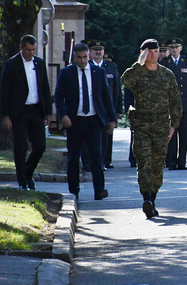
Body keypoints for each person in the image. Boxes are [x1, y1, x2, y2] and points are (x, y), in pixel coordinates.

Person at [122, 39, 183, 219]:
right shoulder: (137, 73)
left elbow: (175, 101)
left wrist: (174, 125)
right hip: (141, 126)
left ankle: (153, 199)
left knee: (157, 165)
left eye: (155, 51)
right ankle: (146, 198)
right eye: (148, 52)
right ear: (142, 54)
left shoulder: (167, 74)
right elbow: (125, 80)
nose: (153, 55)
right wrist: (139, 63)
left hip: (161, 127)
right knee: (144, 163)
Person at [55, 43, 117, 200]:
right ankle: (74, 189)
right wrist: (63, 115)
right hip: (74, 121)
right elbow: (58, 96)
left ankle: (99, 190)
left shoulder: (98, 72)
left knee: (96, 156)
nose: (82, 61)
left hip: (93, 120)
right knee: (74, 157)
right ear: (74, 57)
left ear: (88, 56)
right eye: (79, 58)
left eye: (84, 57)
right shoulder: (66, 73)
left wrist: (112, 119)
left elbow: (106, 96)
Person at [0, 35, 53, 190]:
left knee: (40, 146)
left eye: (33, 50)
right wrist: (5, 115)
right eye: (28, 49)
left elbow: (45, 88)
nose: (31, 53)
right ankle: (22, 181)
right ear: (21, 48)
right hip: (19, 111)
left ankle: (27, 172)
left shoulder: (40, 63)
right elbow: (4, 91)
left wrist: (48, 112)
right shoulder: (11, 64)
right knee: (20, 147)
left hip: (36, 110)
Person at [161, 37, 187, 170]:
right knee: (171, 134)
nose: (175, 50)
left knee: (184, 134)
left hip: (185, 104)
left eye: (177, 47)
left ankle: (182, 162)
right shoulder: (164, 63)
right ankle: (171, 162)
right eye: (172, 47)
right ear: (168, 49)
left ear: (181, 48)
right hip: (169, 105)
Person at [88, 40, 122, 169]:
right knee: (91, 137)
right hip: (91, 107)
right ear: (90, 52)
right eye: (95, 50)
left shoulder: (111, 67)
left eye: (100, 49)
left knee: (106, 136)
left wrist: (117, 109)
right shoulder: (87, 66)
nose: (98, 52)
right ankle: (89, 162)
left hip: (107, 108)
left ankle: (105, 161)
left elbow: (117, 90)